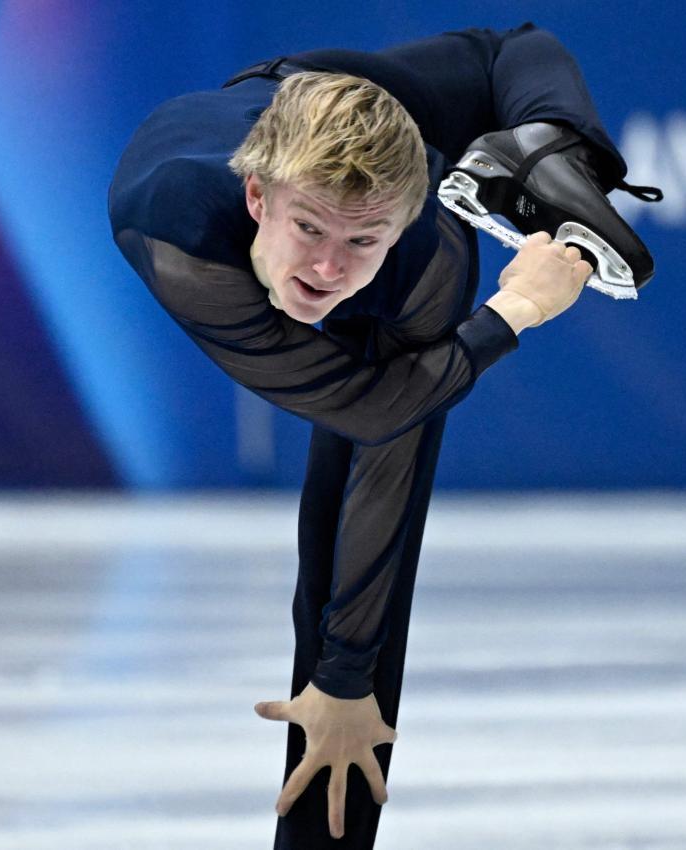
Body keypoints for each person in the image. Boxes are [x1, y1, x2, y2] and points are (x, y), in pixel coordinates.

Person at [107, 23, 656, 849]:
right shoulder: (180, 235)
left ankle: (550, 151)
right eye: (309, 232)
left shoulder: (424, 246)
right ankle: (544, 159)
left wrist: (345, 681)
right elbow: (362, 410)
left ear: (403, 225)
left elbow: (391, 450)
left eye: (360, 241)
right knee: (377, 397)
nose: (328, 268)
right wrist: (515, 313)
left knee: (512, 50)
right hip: (299, 96)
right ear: (259, 200)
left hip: (386, 138)